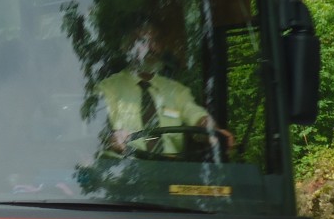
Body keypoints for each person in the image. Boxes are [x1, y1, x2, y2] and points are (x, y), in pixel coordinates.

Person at [97, 20, 233, 157]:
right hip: (125, 172)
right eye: (143, 41)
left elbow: (198, 117)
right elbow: (93, 135)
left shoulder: (177, 91)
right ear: (126, 47)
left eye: (155, 41)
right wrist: (111, 138)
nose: (151, 48)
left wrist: (213, 131)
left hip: (172, 172)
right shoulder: (107, 89)